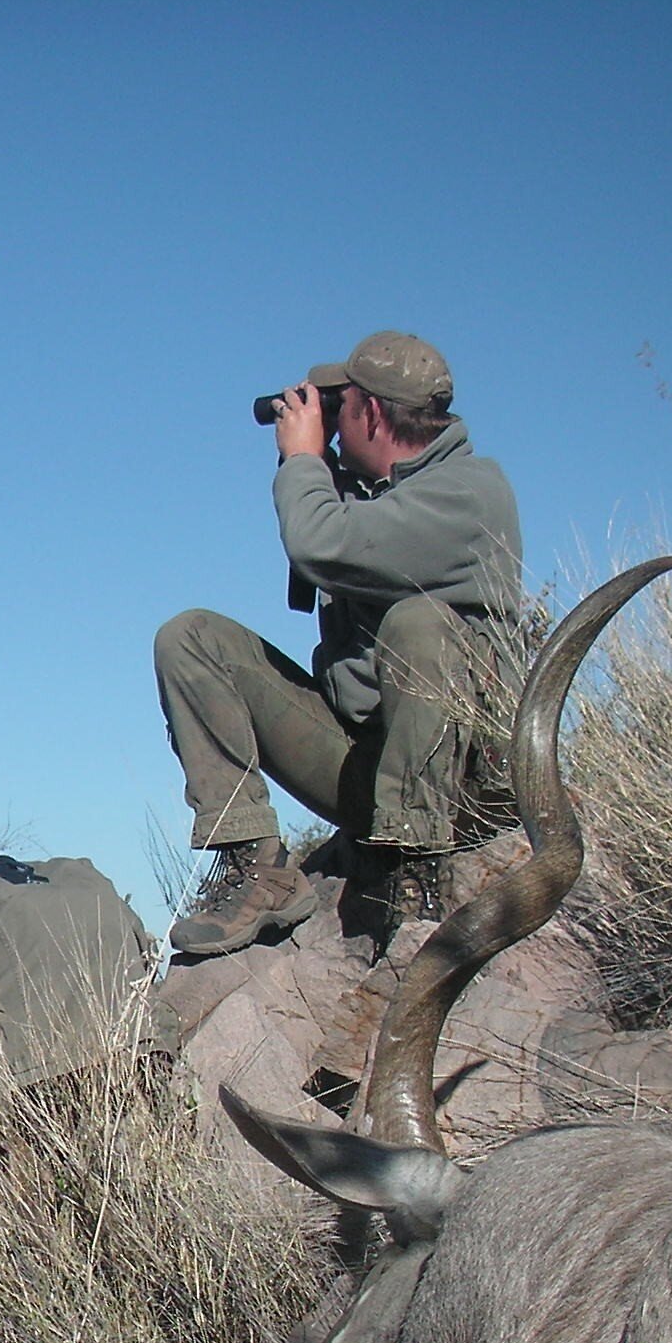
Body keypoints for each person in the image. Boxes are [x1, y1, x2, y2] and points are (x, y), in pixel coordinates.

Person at [154, 331, 525, 955]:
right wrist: (318, 465)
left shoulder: (469, 492)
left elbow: (319, 546)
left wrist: (303, 461)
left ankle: (414, 872)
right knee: (191, 637)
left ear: (373, 413)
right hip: (365, 767)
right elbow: (318, 564)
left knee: (419, 624)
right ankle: (256, 866)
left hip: (464, 785)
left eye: (340, 404)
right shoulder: (370, 494)